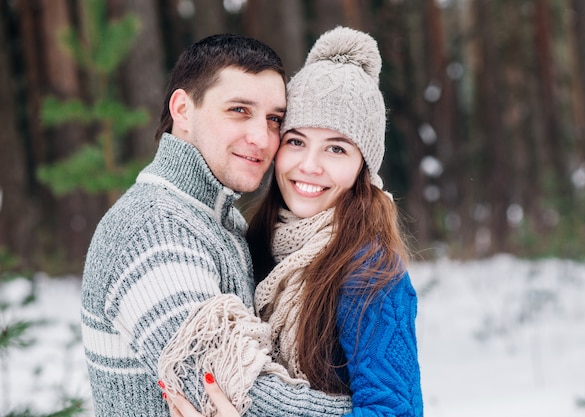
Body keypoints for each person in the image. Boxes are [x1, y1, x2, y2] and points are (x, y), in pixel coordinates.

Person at [80, 33, 353, 417]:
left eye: (274, 119)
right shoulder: (151, 229)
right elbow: (240, 392)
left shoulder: (218, 221)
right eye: (239, 110)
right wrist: (377, 410)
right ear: (183, 110)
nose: (262, 138)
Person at [158, 27, 424, 417]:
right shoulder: (255, 243)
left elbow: (395, 412)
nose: (309, 166)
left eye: (336, 148)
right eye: (296, 141)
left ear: (362, 168)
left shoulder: (370, 272)